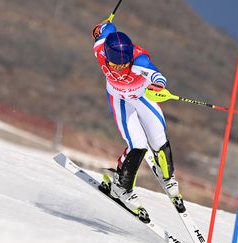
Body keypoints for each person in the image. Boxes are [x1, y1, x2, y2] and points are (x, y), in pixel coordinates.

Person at [92, 21, 181, 218]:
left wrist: (158, 87)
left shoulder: (138, 62)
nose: (120, 68)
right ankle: (121, 188)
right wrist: (103, 25)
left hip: (141, 98)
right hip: (119, 100)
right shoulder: (100, 49)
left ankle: (167, 176)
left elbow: (158, 75)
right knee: (138, 145)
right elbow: (102, 30)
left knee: (158, 137)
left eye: (124, 64)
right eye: (115, 65)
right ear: (106, 56)